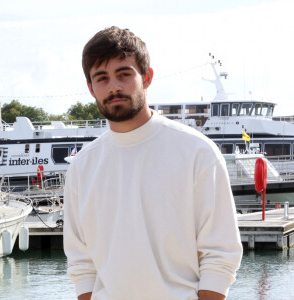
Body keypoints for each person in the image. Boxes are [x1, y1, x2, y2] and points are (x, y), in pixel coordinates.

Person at [63, 26, 243, 300]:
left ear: (146, 77)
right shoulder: (81, 168)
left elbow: (220, 255)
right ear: (91, 88)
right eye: (102, 78)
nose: (113, 86)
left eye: (124, 74)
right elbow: (81, 264)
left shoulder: (196, 152)